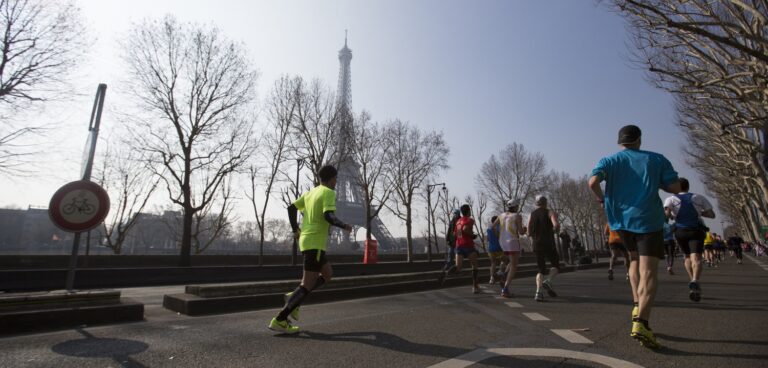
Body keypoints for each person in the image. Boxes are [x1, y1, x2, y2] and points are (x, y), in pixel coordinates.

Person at [589, 124, 681, 349]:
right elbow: (676, 188)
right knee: (648, 271)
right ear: (639, 139)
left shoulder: (608, 161)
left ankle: (635, 303)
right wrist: (657, 182)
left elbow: (592, 183)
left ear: (620, 142)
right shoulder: (656, 159)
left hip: (620, 222)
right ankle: (642, 323)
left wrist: (603, 200)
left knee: (633, 261)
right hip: (648, 220)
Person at [268, 165, 353, 334]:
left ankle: (294, 296)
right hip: (315, 242)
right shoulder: (328, 192)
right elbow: (328, 215)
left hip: (307, 240)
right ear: (331, 179)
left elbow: (291, 208)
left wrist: (295, 230)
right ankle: (280, 319)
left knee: (327, 274)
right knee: (307, 284)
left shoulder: (310, 193)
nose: (336, 182)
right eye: (335, 178)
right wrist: (344, 225)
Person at [527, 195, 560, 302]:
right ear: (546, 203)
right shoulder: (550, 212)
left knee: (540, 269)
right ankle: (548, 281)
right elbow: (556, 225)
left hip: (536, 244)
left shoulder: (531, 215)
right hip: (548, 243)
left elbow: (528, 232)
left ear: (536, 204)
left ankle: (538, 292)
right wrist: (554, 231)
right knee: (555, 265)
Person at [494, 199, 526, 298]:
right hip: (512, 241)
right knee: (514, 266)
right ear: (516, 207)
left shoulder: (501, 215)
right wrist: (524, 229)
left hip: (503, 242)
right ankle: (505, 289)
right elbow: (520, 232)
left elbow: (493, 226)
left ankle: (503, 274)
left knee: (511, 262)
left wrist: (499, 235)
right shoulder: (517, 216)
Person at [454, 204, 481, 294]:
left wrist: (462, 237)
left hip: (459, 245)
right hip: (468, 245)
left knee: (458, 268)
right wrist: (472, 235)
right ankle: (475, 286)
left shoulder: (458, 221)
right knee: (474, 266)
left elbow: (456, 234)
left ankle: (446, 272)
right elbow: (465, 229)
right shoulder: (470, 220)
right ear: (469, 211)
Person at [438, 209, 461, 286]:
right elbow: (449, 231)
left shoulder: (460, 222)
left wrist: (459, 240)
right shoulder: (452, 221)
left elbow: (460, 234)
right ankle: (444, 272)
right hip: (452, 243)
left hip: (458, 243)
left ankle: (453, 272)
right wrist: (447, 239)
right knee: (450, 258)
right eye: (454, 214)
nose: (455, 215)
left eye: (456, 214)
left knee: (457, 259)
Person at [486, 215, 506, 285]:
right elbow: (498, 236)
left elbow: (487, 238)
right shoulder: (498, 227)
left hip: (490, 248)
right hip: (499, 247)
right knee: (504, 261)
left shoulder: (488, 228)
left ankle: (491, 278)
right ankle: (500, 273)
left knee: (493, 263)